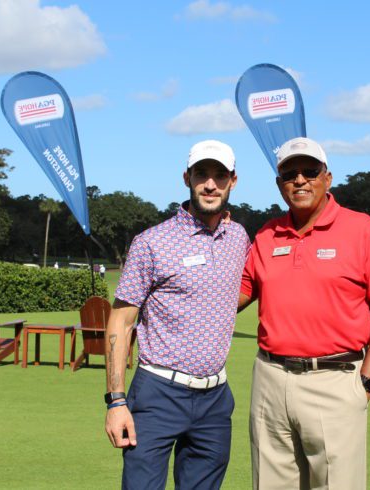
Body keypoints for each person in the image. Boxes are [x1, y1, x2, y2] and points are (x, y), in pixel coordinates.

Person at [238, 137, 370, 490]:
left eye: (309, 171)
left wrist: (368, 378)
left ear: (327, 178)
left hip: (335, 378)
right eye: (289, 174)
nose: (300, 180)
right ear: (279, 184)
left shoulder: (361, 229)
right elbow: (238, 295)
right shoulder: (267, 234)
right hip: (270, 378)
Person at [103, 140, 250, 490]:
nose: (210, 184)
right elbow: (121, 322)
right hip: (157, 393)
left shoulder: (239, 237)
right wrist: (116, 401)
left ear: (233, 181)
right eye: (202, 174)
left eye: (219, 175)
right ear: (187, 178)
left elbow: (235, 292)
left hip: (215, 400)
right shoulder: (152, 242)